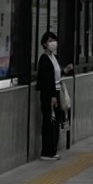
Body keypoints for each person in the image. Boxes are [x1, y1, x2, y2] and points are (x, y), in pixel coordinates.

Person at [36, 30, 73, 161]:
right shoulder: (44, 59)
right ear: (44, 44)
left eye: (54, 41)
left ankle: (52, 150)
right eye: (50, 41)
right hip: (49, 95)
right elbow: (46, 80)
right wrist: (52, 96)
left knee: (56, 121)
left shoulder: (53, 58)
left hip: (56, 92)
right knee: (49, 121)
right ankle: (46, 151)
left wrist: (65, 71)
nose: (53, 43)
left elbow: (56, 76)